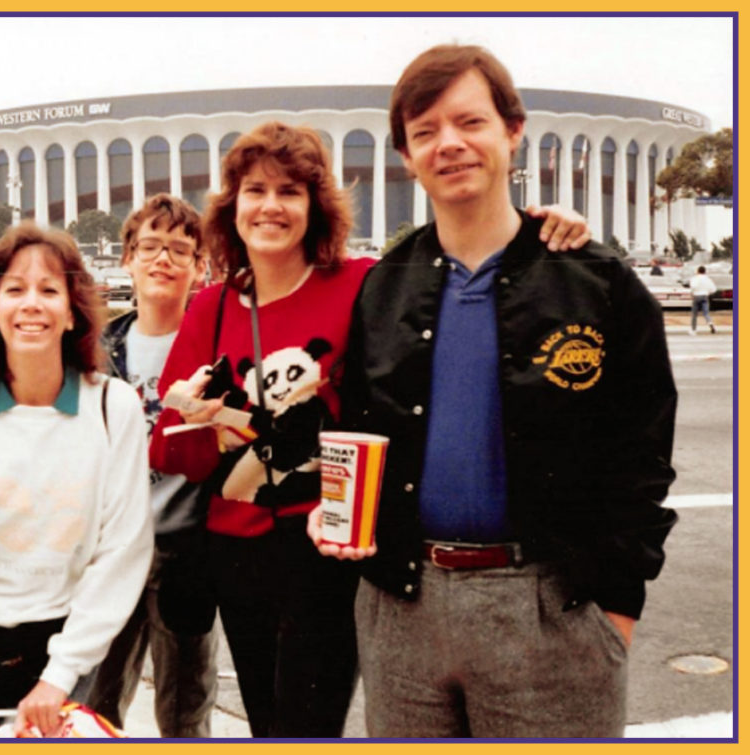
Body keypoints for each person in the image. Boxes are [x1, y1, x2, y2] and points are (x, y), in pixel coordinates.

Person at [151, 122, 592, 738]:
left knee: (308, 724)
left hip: (329, 544)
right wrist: (197, 421)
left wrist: (548, 228)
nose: (271, 206)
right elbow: (173, 453)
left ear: (316, 207)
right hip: (236, 550)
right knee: (266, 720)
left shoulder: (362, 283)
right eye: (255, 190)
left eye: (290, 191)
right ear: (233, 207)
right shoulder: (212, 307)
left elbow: (470, 265)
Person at [311, 44, 678, 738]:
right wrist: (333, 510)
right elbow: (353, 428)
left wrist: (617, 608)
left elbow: (642, 454)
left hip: (550, 609)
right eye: (425, 132)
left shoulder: (596, 282)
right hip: (404, 610)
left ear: (513, 131)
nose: (448, 144)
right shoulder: (383, 286)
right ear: (406, 156)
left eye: (469, 122)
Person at [0, 223, 153, 738]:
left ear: (72, 311)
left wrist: (58, 677)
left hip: (68, 651)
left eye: (49, 290)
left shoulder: (115, 408)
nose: (31, 304)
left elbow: (123, 550)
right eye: (15, 289)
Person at [78, 194, 219, 737]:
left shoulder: (212, 347)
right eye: (151, 247)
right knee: (95, 703)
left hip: (184, 551)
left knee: (185, 709)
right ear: (128, 258)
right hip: (111, 549)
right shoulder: (96, 349)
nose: (164, 259)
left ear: (199, 267)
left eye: (180, 251)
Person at [688, 265, 717, 334]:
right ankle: (710, 323)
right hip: (705, 296)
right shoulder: (708, 279)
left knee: (694, 314)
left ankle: (693, 329)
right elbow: (713, 289)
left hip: (696, 296)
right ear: (705, 271)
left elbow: (693, 286)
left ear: (698, 271)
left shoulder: (694, 278)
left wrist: (692, 293)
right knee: (706, 313)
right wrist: (708, 292)